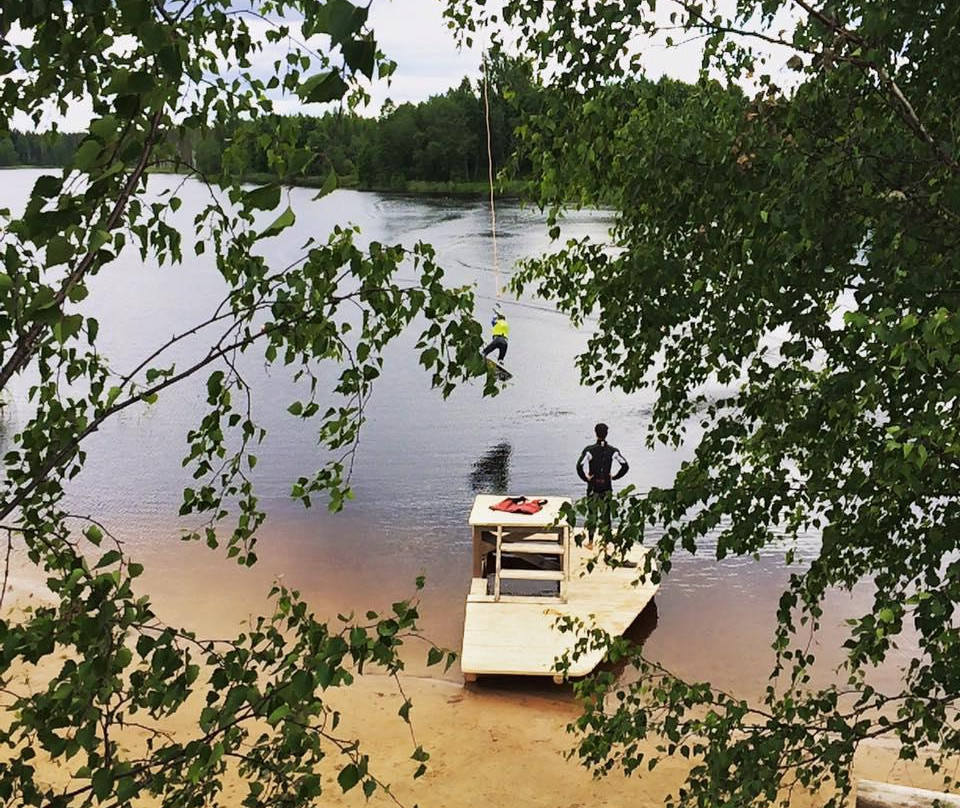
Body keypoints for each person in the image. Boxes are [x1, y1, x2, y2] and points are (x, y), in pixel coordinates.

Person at [575, 422, 630, 555]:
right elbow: (625, 466)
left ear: (595, 433)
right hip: (607, 486)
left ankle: (590, 542)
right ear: (606, 434)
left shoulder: (589, 450)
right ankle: (605, 544)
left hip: (593, 486)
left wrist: (586, 478)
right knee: (606, 515)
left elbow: (579, 466)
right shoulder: (613, 451)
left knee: (592, 514)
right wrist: (615, 477)